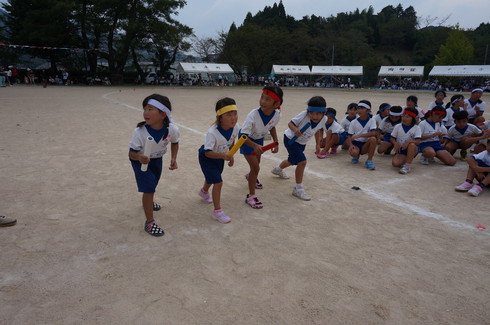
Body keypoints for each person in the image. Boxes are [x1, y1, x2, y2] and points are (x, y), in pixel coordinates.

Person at [128, 94, 180, 237]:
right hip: (141, 162)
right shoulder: (140, 132)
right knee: (149, 189)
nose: (146, 112)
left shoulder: (172, 130)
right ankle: (149, 222)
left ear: (163, 114)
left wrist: (173, 158)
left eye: (151, 109)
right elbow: (131, 154)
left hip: (157, 160)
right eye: (145, 109)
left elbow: (175, 142)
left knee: (154, 184)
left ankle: (149, 203)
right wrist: (139, 157)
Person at [271, 96, 328, 200]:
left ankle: (277, 169)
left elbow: (317, 130)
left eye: (318, 113)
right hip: (290, 140)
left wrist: (317, 144)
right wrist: (295, 129)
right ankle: (298, 189)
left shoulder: (324, 119)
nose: (314, 116)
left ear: (324, 112)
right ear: (308, 111)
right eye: (311, 113)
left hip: (302, 142)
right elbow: (290, 123)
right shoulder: (303, 115)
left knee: (292, 160)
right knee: (302, 162)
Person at [240, 85, 283, 209]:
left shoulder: (277, 115)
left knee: (256, 165)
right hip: (246, 141)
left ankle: (250, 176)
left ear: (276, 104)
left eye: (268, 99)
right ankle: (251, 196)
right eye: (262, 97)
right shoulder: (253, 115)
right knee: (256, 168)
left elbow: (272, 126)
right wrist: (254, 145)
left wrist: (275, 141)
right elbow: (243, 136)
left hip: (258, 140)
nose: (263, 101)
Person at [198, 97, 239, 223]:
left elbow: (231, 141)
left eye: (235, 113)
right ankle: (217, 211)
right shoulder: (212, 133)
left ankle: (203, 191)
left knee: (213, 178)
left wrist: (230, 155)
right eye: (228, 115)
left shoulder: (236, 127)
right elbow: (208, 152)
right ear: (220, 117)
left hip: (221, 157)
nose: (233, 118)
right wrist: (223, 156)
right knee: (218, 182)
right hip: (207, 158)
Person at [346, 100, 377, 170]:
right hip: (356, 143)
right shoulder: (354, 122)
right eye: (359, 108)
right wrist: (351, 145)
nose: (359, 110)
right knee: (354, 152)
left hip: (365, 144)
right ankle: (356, 156)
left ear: (368, 110)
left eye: (362, 108)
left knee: (373, 139)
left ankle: (369, 160)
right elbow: (349, 136)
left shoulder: (372, 120)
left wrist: (359, 136)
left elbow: (373, 133)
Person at [390, 107, 422, 174]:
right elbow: (392, 138)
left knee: (412, 145)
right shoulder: (398, 126)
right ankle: (406, 160)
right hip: (401, 149)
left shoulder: (417, 128)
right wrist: (395, 143)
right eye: (403, 116)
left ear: (413, 119)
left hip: (412, 149)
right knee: (395, 164)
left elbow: (418, 141)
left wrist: (409, 142)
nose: (404, 118)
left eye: (407, 117)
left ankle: (407, 166)